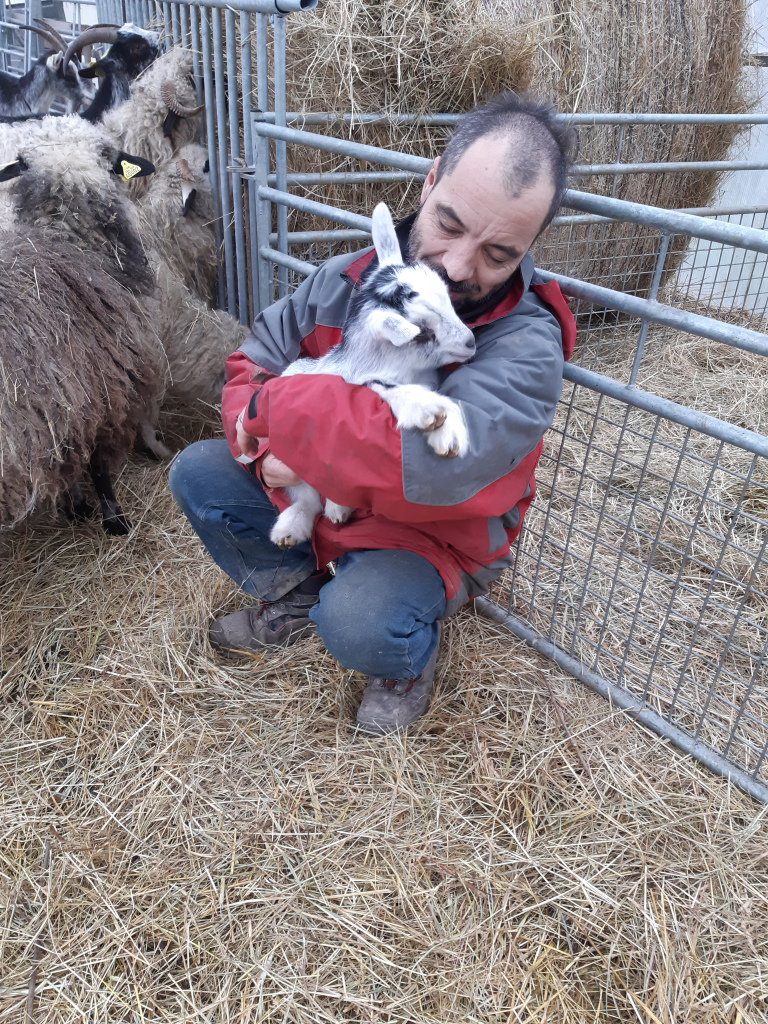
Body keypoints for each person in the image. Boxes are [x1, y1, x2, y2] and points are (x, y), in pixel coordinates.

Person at [169, 91, 577, 735]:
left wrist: (283, 414)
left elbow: (438, 466)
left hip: (427, 531)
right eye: (449, 224)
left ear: (531, 244)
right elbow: (252, 364)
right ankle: (297, 588)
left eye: (498, 254)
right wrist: (262, 447)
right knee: (200, 472)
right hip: (321, 498)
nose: (457, 267)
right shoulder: (349, 278)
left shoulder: (526, 345)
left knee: (357, 623)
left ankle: (403, 658)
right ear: (431, 179)